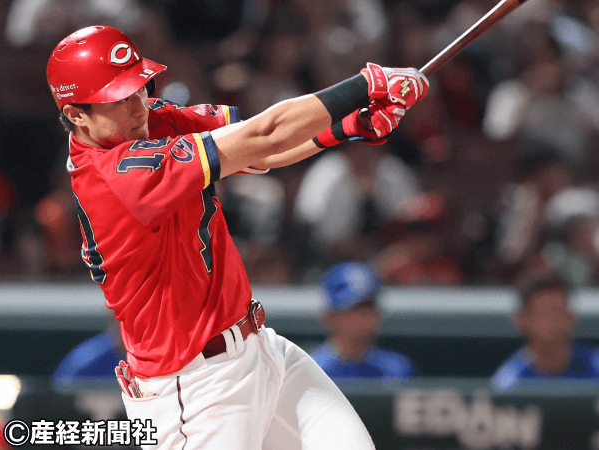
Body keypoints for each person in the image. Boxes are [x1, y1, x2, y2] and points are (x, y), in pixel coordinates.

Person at [46, 25, 428, 450]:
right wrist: (364, 86)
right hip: (194, 389)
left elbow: (259, 147)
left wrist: (346, 127)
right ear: (76, 114)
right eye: (119, 98)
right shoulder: (117, 177)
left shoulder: (148, 121)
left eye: (140, 88)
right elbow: (264, 134)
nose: (138, 107)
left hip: (260, 349)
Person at [311, 261, 417, 380]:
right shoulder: (312, 369)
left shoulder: (396, 368)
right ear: (330, 316)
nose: (365, 316)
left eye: (369, 307)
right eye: (354, 309)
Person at [492, 274, 599, 391]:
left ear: (571, 317)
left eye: (557, 312)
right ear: (522, 318)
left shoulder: (595, 365)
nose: (551, 322)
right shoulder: (508, 383)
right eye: (543, 313)